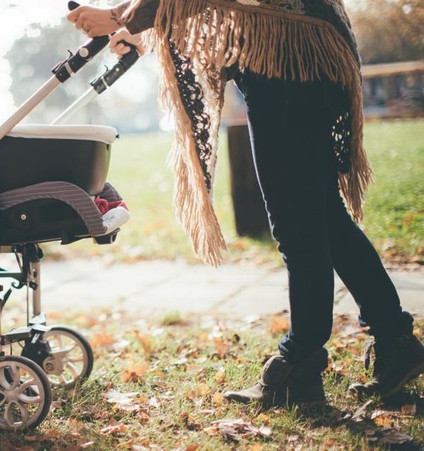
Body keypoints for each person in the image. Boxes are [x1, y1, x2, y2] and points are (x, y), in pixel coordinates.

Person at [68, 0, 424, 407]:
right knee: (325, 218)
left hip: (288, 58)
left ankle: (300, 365)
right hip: (303, 51)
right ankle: (395, 342)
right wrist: (141, 26)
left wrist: (119, 16)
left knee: (297, 226)